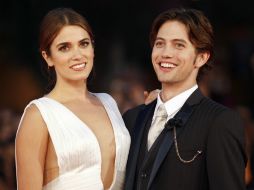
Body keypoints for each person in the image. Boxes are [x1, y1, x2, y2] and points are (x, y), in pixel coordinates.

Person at [123, 8, 247, 190]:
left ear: (201, 57)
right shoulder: (132, 119)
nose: (165, 53)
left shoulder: (220, 122)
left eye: (178, 45)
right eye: (159, 44)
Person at [15, 8, 131, 190]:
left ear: (93, 48)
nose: (78, 55)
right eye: (64, 48)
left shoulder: (108, 102)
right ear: (48, 57)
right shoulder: (39, 115)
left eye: (84, 44)